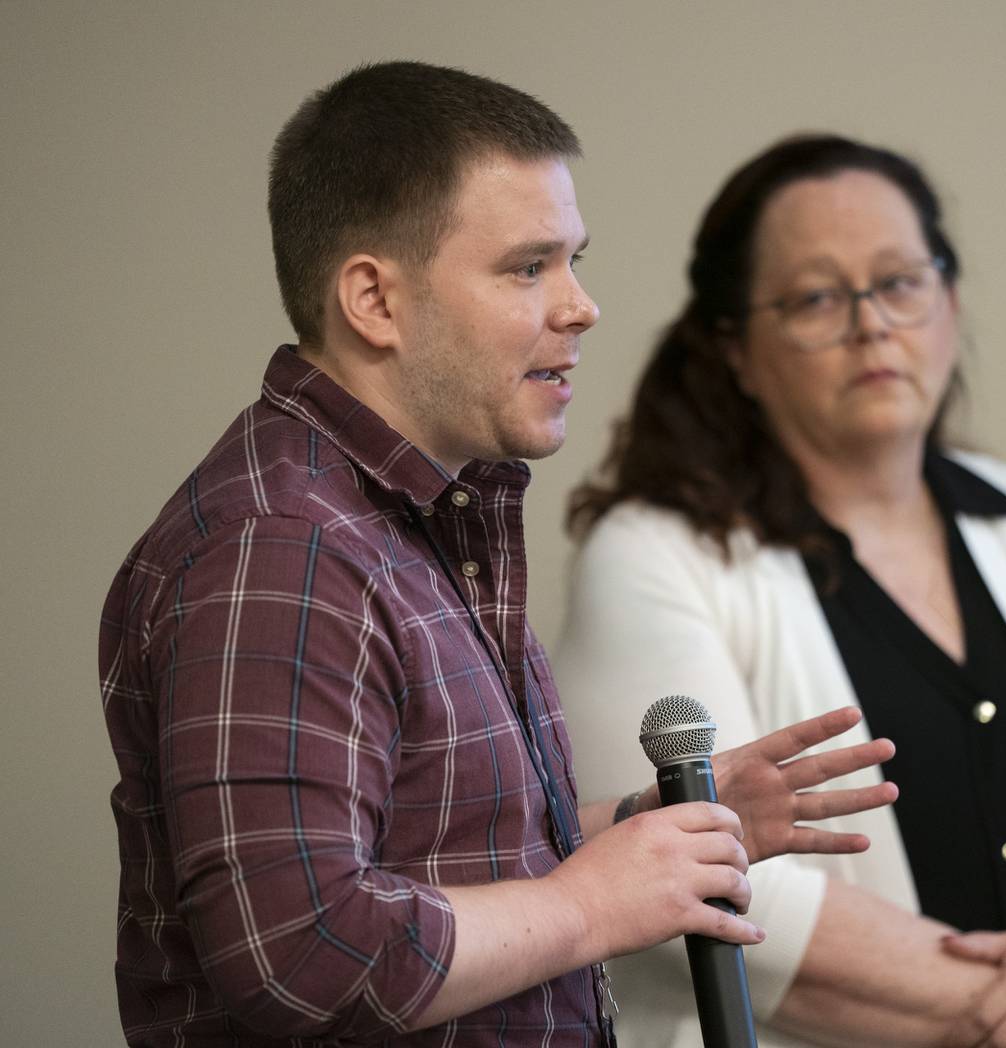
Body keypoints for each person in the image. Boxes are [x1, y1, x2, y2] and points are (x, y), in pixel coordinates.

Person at [97, 65, 900, 1048]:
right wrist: (594, 904)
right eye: (529, 267)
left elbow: (443, 859)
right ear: (373, 301)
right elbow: (305, 955)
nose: (581, 306)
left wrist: (647, 836)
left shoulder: (414, 520)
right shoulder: (284, 551)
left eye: (574, 260)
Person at [553, 134, 1006, 1048]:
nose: (871, 324)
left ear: (951, 301)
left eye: (900, 282)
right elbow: (699, 861)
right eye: (816, 297)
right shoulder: (657, 554)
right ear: (737, 350)